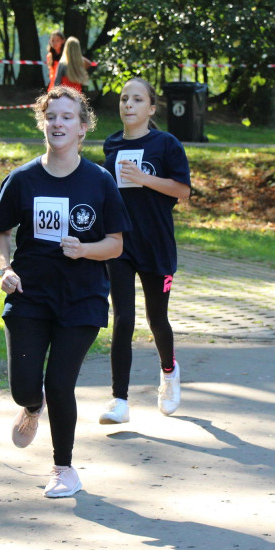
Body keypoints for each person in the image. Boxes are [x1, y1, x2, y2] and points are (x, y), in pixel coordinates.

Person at [0, 86, 131, 498]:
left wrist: (85, 249)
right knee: (24, 387)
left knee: (59, 383)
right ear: (43, 123)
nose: (58, 124)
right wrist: (5, 268)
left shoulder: (98, 181)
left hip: (82, 298)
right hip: (30, 294)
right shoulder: (22, 179)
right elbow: (0, 234)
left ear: (82, 128)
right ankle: (31, 407)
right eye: (51, 117)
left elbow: (117, 244)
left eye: (67, 117)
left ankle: (64, 468)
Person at [99, 77, 191, 425]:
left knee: (156, 319)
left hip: (156, 245)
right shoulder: (111, 145)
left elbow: (182, 191)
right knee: (123, 319)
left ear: (151, 108)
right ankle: (119, 401)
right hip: (120, 244)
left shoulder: (166, 144)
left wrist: (143, 178)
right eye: (124, 98)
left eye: (137, 99)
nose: (128, 105)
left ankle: (169, 372)